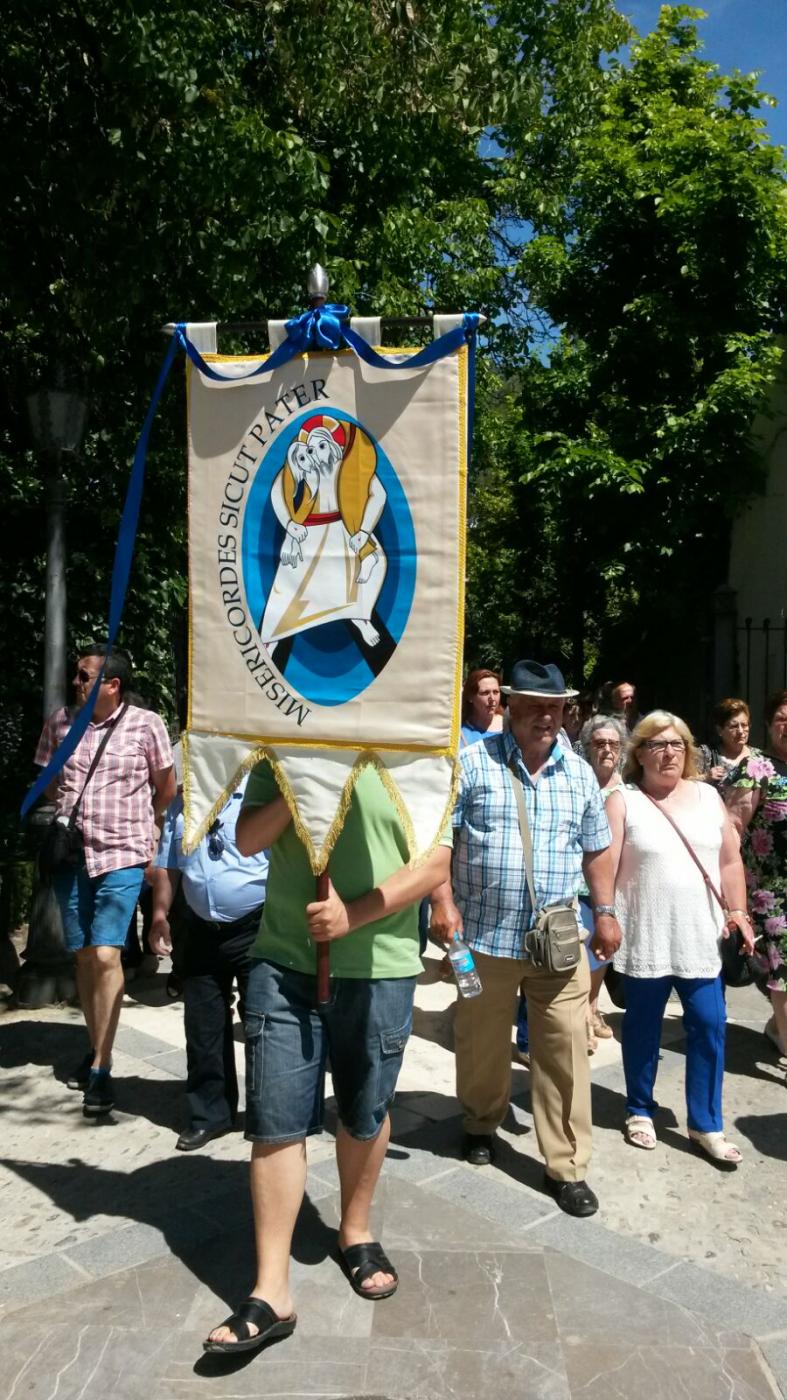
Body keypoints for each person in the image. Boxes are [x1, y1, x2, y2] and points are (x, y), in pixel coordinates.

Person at [204, 761, 451, 1355]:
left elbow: (435, 863)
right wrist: (305, 787)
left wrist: (352, 915)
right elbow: (246, 839)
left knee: (365, 1110)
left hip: (380, 966)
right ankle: (271, 1291)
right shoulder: (281, 750)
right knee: (277, 1120)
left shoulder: (421, 749)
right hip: (284, 962)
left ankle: (355, 1231)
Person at [430, 659, 621, 1218]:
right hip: (484, 939)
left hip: (558, 942)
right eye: (533, 705)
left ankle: (567, 1166)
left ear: (566, 711)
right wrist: (442, 904)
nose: (545, 716)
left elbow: (597, 848)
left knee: (563, 1051)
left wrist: (605, 910)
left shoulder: (580, 772)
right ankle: (481, 1122)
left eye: (554, 707)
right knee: (481, 1042)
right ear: (509, 707)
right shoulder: (469, 764)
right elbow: (438, 844)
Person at [606, 710, 753, 1162]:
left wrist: (739, 911)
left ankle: (705, 1125)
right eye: (657, 744)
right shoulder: (623, 799)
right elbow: (605, 865)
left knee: (710, 1025)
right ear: (640, 753)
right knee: (643, 1027)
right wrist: (604, 917)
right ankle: (639, 1108)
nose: (668, 753)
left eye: (677, 745)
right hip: (646, 932)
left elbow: (730, 862)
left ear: (688, 752)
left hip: (700, 934)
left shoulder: (709, 797)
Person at [34, 645, 175, 1116]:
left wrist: (143, 826)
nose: (75, 681)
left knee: (107, 952)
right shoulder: (59, 723)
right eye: (76, 674)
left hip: (123, 854)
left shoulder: (146, 724)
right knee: (83, 957)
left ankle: (100, 1065)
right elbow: (50, 781)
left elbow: (166, 787)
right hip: (73, 855)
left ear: (111, 684)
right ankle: (98, 1049)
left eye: (83, 675)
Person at [149, 774, 268, 1151]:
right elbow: (168, 863)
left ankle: (269, 1114)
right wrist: (159, 914)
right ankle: (209, 1114)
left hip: (257, 923)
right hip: (198, 926)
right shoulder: (185, 800)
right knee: (202, 1023)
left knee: (263, 1023)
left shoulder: (261, 790)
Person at [726, 690, 787, 1060]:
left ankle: (777, 1026)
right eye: (782, 718)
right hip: (770, 892)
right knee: (784, 969)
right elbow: (730, 828)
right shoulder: (756, 768)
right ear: (768, 724)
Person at [578, 713, 627, 1051]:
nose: (607, 749)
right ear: (587, 747)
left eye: (613, 743)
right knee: (585, 954)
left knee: (603, 954)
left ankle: (593, 1009)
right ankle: (581, 1019)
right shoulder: (577, 781)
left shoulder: (629, 788)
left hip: (618, 885)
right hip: (580, 885)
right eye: (599, 743)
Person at [699, 698, 759, 788]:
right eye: (734, 726)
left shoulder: (759, 758)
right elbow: (683, 782)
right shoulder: (706, 754)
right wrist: (705, 778)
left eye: (744, 725)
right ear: (720, 730)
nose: (741, 731)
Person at [460, 668, 504, 746]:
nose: (492, 698)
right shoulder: (461, 734)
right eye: (485, 693)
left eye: (496, 692)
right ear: (470, 697)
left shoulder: (510, 726)